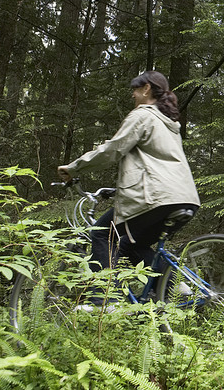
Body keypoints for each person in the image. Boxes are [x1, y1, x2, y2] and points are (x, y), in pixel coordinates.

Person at [58, 71, 201, 275]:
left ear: (146, 89)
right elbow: (155, 165)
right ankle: (174, 288)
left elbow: (113, 149)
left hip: (158, 198)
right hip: (186, 198)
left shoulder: (143, 115)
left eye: (135, 89)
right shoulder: (170, 125)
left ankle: (103, 301)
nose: (132, 94)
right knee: (130, 245)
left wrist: (73, 168)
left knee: (101, 234)